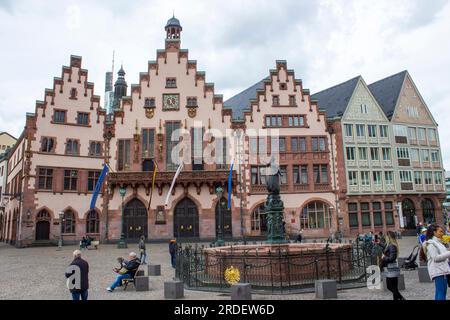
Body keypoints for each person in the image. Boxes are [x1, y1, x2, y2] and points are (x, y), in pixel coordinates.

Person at [420, 224, 450, 300]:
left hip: (442, 270)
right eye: (440, 231)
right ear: (434, 232)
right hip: (438, 271)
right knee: (441, 293)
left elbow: (444, 255)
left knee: (440, 293)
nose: (442, 233)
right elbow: (435, 258)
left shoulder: (438, 243)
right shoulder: (431, 244)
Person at [380, 231, 405, 300]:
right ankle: (399, 298)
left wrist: (384, 258)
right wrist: (379, 243)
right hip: (391, 268)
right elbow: (385, 247)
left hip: (391, 268)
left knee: (390, 286)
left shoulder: (392, 245)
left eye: (386, 237)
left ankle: (401, 298)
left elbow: (392, 258)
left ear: (389, 237)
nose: (385, 238)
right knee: (393, 287)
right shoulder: (390, 245)